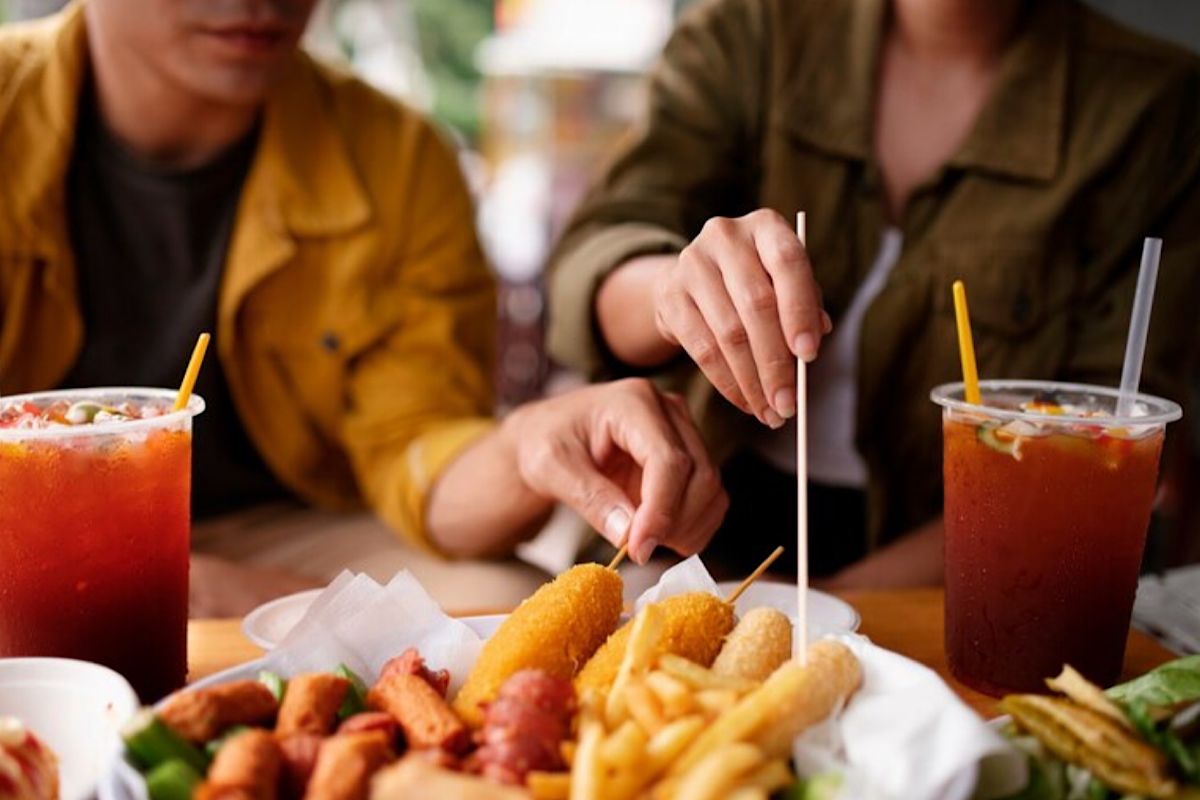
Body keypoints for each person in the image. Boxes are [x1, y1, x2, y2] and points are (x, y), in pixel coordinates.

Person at [0, 0, 726, 615]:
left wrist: (528, 444)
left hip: (281, 529)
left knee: (503, 599)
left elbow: (419, 450)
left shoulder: (398, 158)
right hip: (23, 522)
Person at [548, 0, 1200, 586]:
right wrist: (670, 288)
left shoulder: (1156, 110)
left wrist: (826, 618)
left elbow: (1100, 463)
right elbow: (595, 255)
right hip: (677, 538)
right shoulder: (750, 30)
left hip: (966, 580)